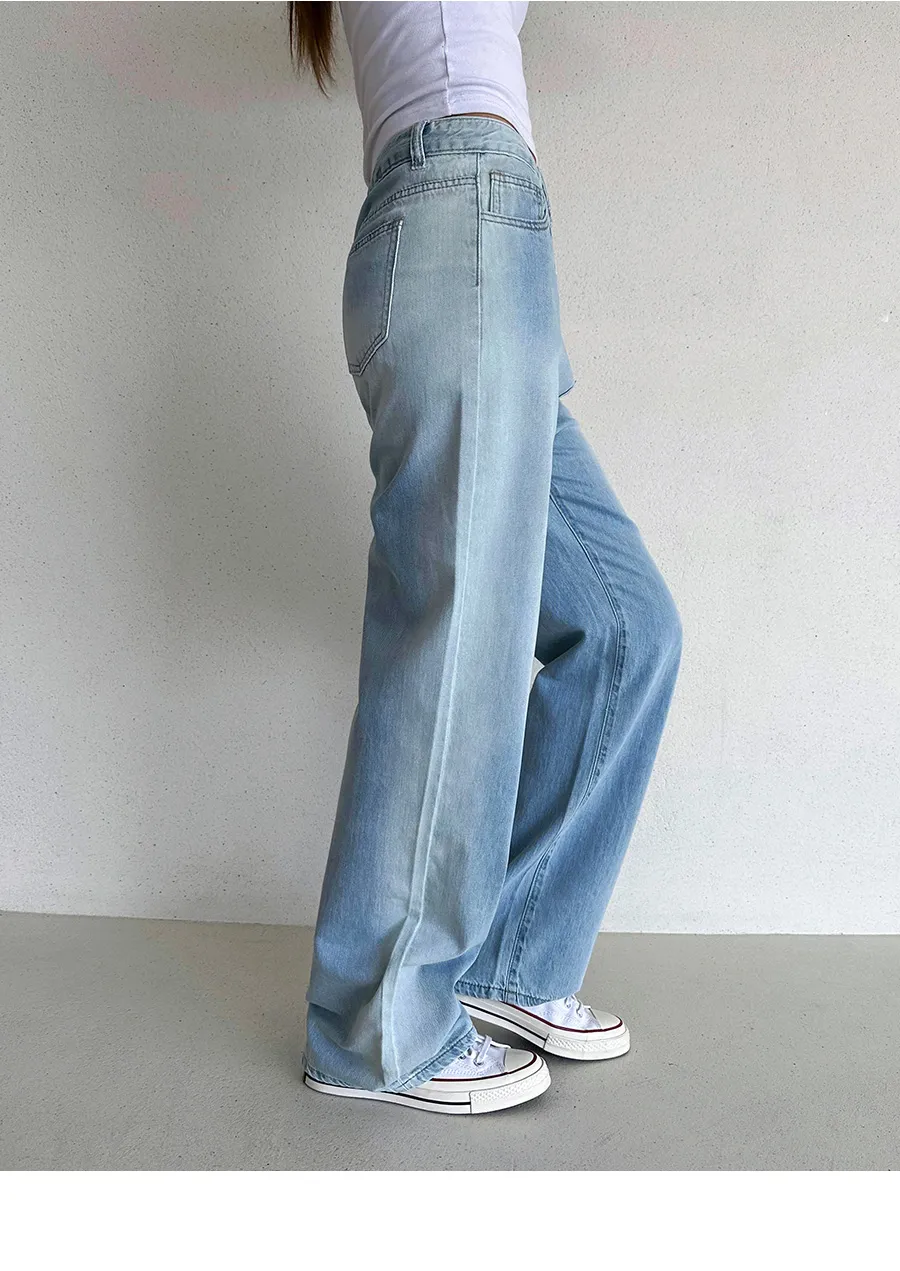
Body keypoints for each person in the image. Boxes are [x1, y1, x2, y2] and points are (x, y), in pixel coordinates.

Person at [289, 1, 683, 1115]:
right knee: (455, 639)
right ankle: (377, 1028)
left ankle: (510, 959)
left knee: (625, 626)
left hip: (486, 238)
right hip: (460, 218)